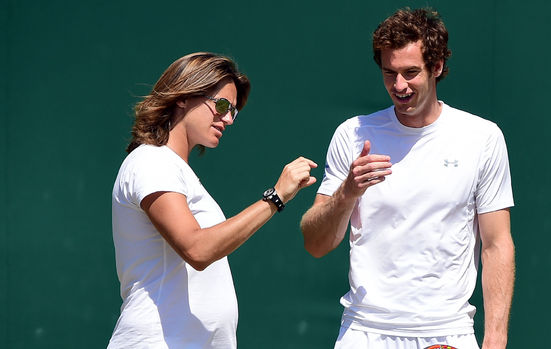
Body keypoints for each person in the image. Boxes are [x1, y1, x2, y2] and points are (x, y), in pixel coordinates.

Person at [300, 8, 515, 349]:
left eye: (411, 73)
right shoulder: (353, 134)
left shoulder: (482, 138)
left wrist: (495, 338)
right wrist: (347, 192)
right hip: (365, 331)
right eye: (390, 73)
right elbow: (316, 243)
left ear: (438, 68)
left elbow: (497, 244)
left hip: (449, 330)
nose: (399, 85)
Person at [108, 52, 317, 348]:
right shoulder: (151, 162)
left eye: (233, 111)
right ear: (183, 97)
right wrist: (275, 197)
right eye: (220, 105)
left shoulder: (174, 169)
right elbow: (197, 249)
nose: (228, 118)